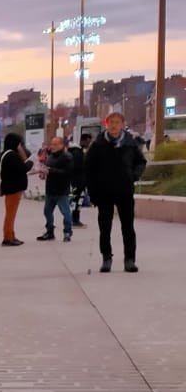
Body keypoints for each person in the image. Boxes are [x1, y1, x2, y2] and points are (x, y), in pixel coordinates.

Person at [83, 109, 145, 273]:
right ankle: (106, 258)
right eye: (111, 122)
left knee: (128, 227)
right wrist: (93, 191)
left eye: (117, 122)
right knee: (105, 227)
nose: (114, 126)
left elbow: (141, 161)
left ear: (122, 125)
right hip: (104, 192)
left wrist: (133, 176)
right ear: (107, 124)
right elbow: (88, 168)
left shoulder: (130, 143)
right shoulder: (98, 144)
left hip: (124, 190)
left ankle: (130, 259)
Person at [36, 134, 74, 243]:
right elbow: (48, 168)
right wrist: (43, 173)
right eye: (52, 144)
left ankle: (67, 232)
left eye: (56, 144)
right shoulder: (51, 156)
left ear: (62, 145)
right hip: (50, 189)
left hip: (61, 190)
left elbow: (68, 172)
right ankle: (49, 232)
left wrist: (51, 171)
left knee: (65, 213)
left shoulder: (67, 157)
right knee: (47, 211)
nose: (53, 146)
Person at [0, 132, 31, 247]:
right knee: (10, 215)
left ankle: (11, 235)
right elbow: (23, 168)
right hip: (14, 188)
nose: (20, 146)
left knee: (10, 213)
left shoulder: (3, 154)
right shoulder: (12, 155)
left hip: (9, 187)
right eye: (19, 143)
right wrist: (30, 162)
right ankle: (8, 237)